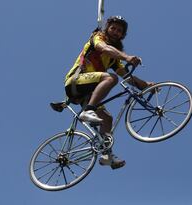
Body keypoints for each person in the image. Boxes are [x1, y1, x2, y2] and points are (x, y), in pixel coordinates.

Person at [64, 16, 154, 169]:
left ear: (122, 35)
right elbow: (103, 48)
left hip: (89, 92)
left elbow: (126, 76)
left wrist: (145, 85)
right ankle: (88, 111)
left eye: (119, 31)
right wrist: (126, 57)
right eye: (113, 28)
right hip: (75, 81)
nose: (116, 32)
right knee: (110, 78)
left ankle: (106, 154)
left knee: (107, 119)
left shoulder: (113, 58)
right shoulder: (97, 37)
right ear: (107, 28)